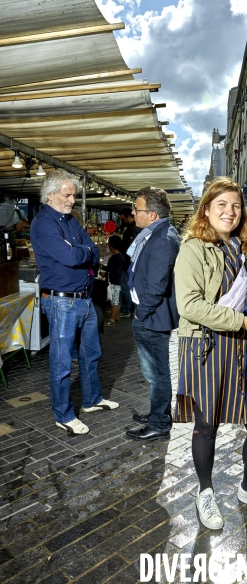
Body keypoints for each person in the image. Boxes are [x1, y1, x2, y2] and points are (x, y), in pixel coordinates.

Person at [174, 177, 247, 531]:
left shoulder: (244, 248)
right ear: (206, 209)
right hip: (205, 345)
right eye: (221, 204)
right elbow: (190, 306)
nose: (230, 212)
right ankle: (204, 492)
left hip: (241, 346)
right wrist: (243, 321)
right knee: (207, 426)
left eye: (236, 206)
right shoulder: (193, 248)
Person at [30, 170, 119, 435]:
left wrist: (81, 251)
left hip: (84, 299)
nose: (71, 200)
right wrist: (82, 252)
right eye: (67, 195)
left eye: (73, 195)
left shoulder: (70, 221)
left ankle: (92, 400)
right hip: (61, 302)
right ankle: (64, 415)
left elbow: (92, 250)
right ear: (50, 195)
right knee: (62, 362)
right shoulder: (43, 223)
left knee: (91, 353)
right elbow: (71, 256)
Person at [125, 187, 179, 442]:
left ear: (153, 215)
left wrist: (141, 313)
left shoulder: (162, 238)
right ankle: (159, 413)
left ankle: (159, 423)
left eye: (137, 209)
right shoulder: (157, 233)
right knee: (154, 373)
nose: (133, 213)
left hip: (152, 317)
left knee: (158, 374)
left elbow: (157, 285)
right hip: (149, 315)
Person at [118, 208, 142, 317]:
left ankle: (126, 310)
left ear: (129, 217)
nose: (123, 221)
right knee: (131, 286)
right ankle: (132, 309)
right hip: (132, 262)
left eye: (123, 219)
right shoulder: (136, 228)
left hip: (128, 262)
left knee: (126, 287)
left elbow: (130, 247)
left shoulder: (132, 229)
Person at [104, 234, 125, 326]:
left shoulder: (115, 258)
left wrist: (106, 270)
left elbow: (114, 270)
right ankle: (116, 316)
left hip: (114, 282)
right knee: (116, 300)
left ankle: (112, 319)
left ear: (111, 246)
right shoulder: (120, 256)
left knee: (114, 301)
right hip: (118, 282)